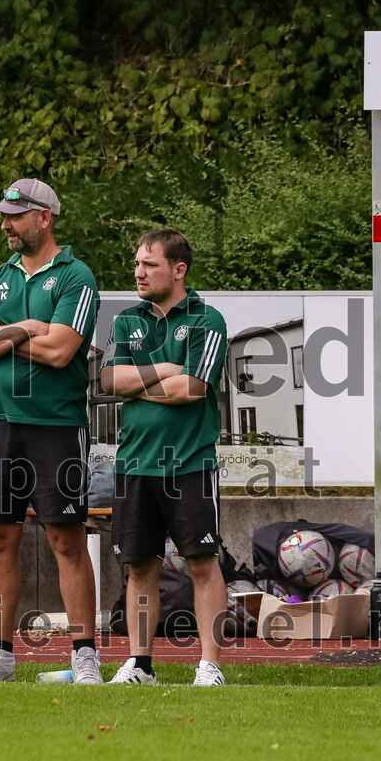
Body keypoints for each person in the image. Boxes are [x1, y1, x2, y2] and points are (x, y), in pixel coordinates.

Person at [0, 178, 100, 684]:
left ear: (44, 217)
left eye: (14, 216)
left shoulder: (77, 276)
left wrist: (1, 333)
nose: (4, 224)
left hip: (55, 424)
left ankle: (84, 658)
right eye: (3, 215)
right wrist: (29, 329)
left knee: (66, 539)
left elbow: (62, 351)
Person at [99, 228, 228, 687]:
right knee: (140, 566)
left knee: (201, 563)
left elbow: (191, 390)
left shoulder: (207, 320)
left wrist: (145, 381)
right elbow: (109, 382)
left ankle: (209, 666)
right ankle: (141, 666)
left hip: (190, 465)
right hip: (134, 464)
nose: (138, 272)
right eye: (136, 263)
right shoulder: (124, 321)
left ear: (178, 270)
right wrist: (168, 370)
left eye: (149, 265)